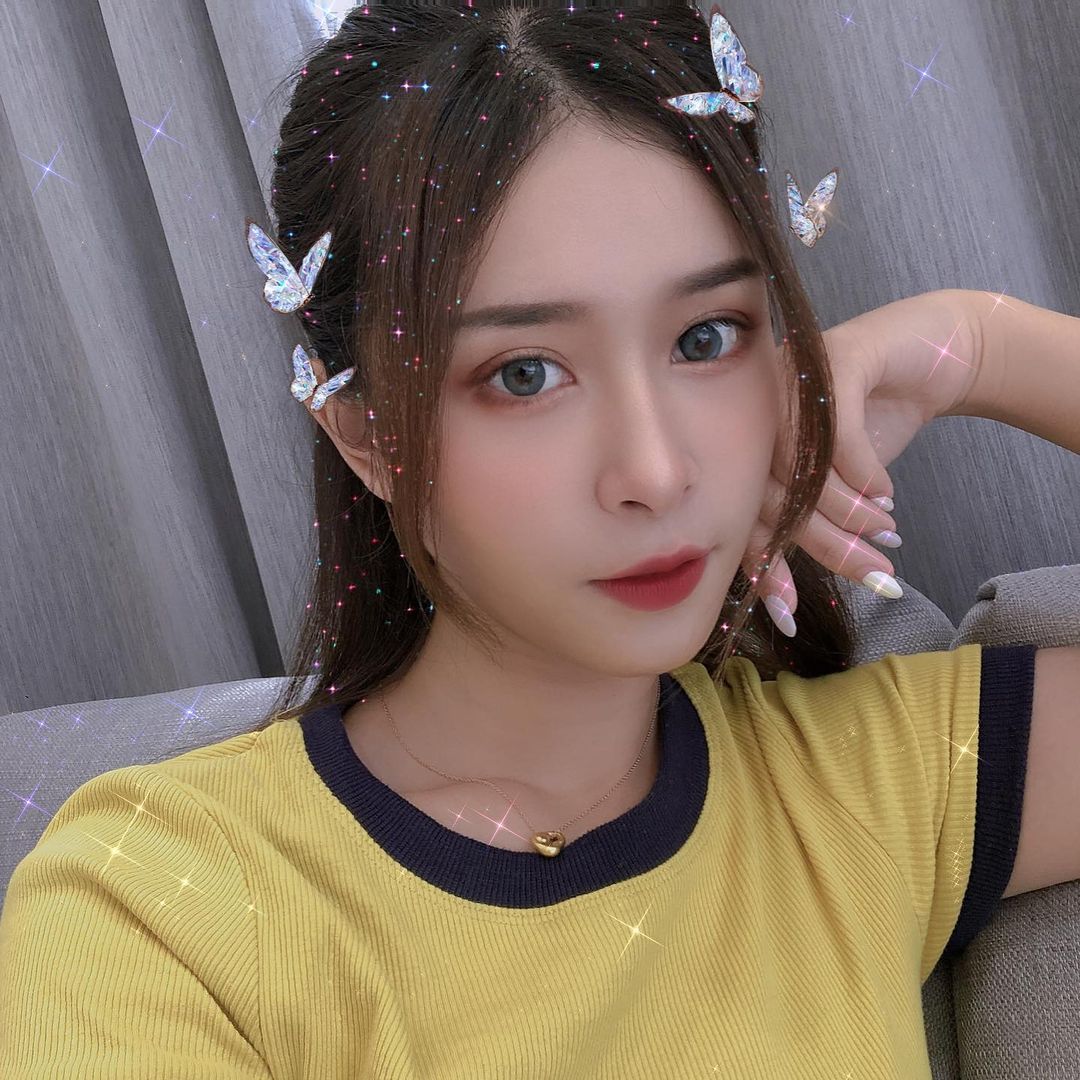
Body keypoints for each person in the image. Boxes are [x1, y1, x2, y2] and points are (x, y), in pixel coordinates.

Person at [1, 5, 1074, 1076]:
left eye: (707, 337)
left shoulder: (859, 788)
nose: (654, 471)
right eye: (525, 374)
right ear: (365, 433)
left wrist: (973, 344)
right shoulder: (158, 912)